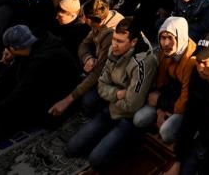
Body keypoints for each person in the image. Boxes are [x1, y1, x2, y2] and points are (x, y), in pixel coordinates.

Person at [66, 17, 158, 171]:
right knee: (72, 148)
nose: (114, 44)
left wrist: (114, 95)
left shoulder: (144, 63)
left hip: (127, 118)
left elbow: (132, 105)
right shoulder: (113, 50)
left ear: (133, 42)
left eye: (120, 41)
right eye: (114, 39)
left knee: (96, 160)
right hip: (110, 108)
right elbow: (102, 84)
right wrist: (117, 94)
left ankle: (130, 141)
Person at [0, 25, 76, 137]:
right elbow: (6, 78)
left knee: (6, 123)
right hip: (41, 82)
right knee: (9, 78)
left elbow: (21, 95)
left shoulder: (41, 61)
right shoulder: (35, 41)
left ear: (13, 48)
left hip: (59, 94)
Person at [167, 32, 209, 174]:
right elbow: (190, 115)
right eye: (198, 61)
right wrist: (178, 160)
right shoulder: (196, 75)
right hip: (200, 131)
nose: (200, 67)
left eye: (205, 62)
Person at [49, 0, 122, 117]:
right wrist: (87, 57)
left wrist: (68, 100)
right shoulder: (102, 19)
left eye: (82, 15)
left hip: (115, 78)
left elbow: (98, 74)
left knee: (87, 101)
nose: (80, 17)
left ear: (89, 20)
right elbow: (84, 44)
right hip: (100, 66)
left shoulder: (111, 36)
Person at [134, 16, 196, 144]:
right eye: (163, 38)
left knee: (166, 132)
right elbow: (161, 81)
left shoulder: (191, 61)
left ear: (181, 37)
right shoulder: (165, 52)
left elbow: (186, 99)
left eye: (170, 38)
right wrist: (160, 108)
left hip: (184, 105)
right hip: (167, 97)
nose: (166, 43)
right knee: (138, 119)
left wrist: (162, 103)